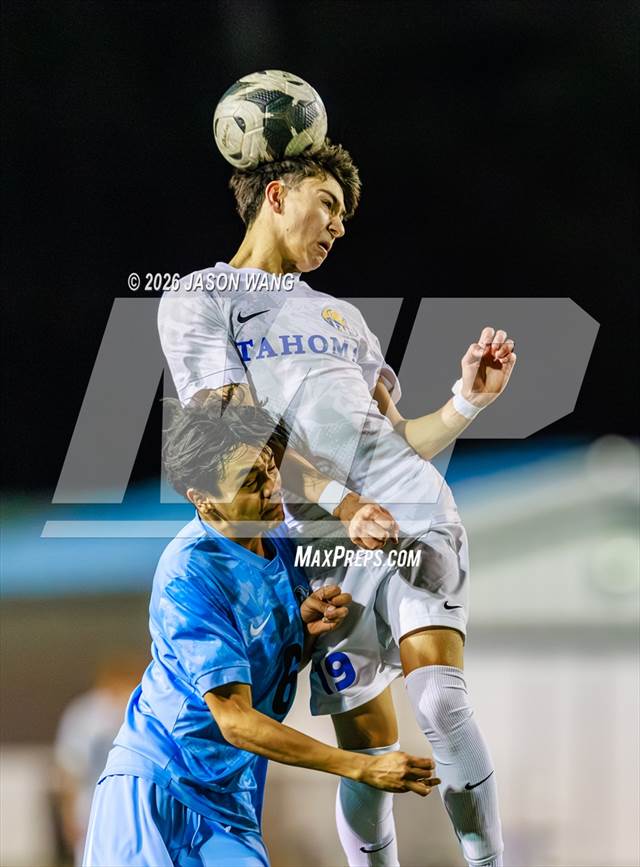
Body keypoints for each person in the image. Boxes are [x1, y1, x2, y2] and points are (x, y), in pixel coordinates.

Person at [158, 141, 516, 867]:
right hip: (318, 544)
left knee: (442, 703)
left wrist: (465, 402)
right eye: (328, 204)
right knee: (370, 749)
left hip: (409, 512)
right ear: (277, 195)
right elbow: (232, 437)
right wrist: (342, 503)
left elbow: (396, 438)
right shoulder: (199, 297)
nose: (340, 225)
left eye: (345, 214)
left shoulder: (343, 317)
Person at [82, 395, 438, 867]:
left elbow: (262, 653)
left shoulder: (282, 541)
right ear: (202, 499)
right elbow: (235, 720)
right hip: (158, 790)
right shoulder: (190, 571)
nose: (272, 488)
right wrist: (362, 766)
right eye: (251, 481)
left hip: (229, 801)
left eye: (270, 469)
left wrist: (301, 632)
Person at [54, 653, 144, 865]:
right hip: (92, 808)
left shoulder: (144, 707)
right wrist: (68, 814)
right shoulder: (85, 714)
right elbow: (69, 769)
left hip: (134, 809)